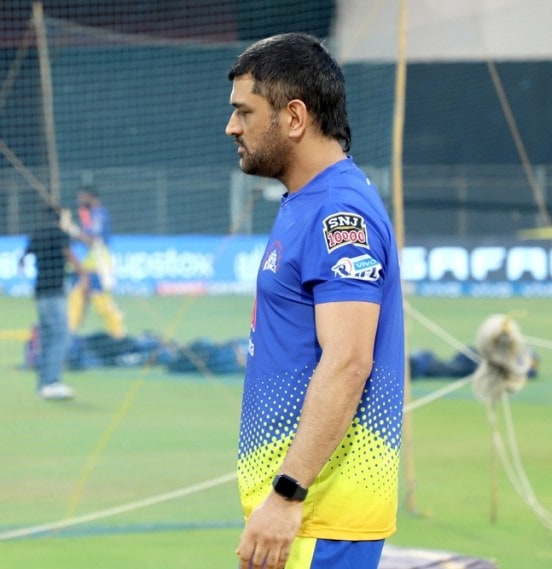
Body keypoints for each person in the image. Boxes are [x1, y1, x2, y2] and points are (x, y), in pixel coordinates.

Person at [225, 33, 405, 569]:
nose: (232, 127)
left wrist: (287, 495)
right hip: (304, 518)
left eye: (245, 112)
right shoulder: (306, 201)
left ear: (295, 117)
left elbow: (348, 361)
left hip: (317, 520)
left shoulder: (338, 214)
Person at [20, 209, 82, 400]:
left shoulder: (36, 234)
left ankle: (43, 383)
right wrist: (83, 273)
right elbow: (69, 253)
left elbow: (23, 258)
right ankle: (52, 382)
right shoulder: (59, 233)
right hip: (55, 291)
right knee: (60, 336)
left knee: (47, 337)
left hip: (40, 292)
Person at [63, 186, 126, 339]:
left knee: (101, 301)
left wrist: (72, 230)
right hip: (88, 262)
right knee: (76, 298)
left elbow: (92, 240)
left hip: (98, 262)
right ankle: (69, 334)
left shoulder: (99, 214)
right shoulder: (88, 214)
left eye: (82, 197)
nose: (79, 201)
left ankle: (118, 334)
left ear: (90, 197)